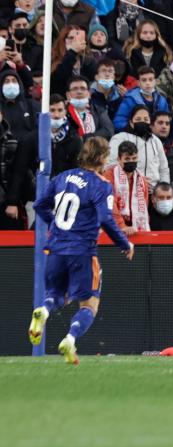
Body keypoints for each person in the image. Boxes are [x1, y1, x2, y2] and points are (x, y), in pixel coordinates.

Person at [28, 136, 134, 365]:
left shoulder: (62, 177)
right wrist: (124, 244)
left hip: (56, 248)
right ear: (103, 158)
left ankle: (43, 312)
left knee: (56, 295)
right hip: (83, 251)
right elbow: (106, 218)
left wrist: (55, 226)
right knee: (89, 305)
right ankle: (70, 338)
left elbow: (39, 205)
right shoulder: (101, 185)